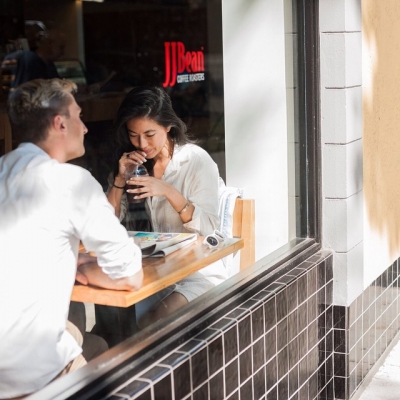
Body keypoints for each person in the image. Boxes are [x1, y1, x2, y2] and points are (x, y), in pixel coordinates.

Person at [0, 78, 143, 399]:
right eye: (78, 115)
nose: (86, 127)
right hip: (32, 372)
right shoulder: (70, 182)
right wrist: (83, 267)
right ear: (59, 123)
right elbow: (130, 276)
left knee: (95, 345)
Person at [105, 85, 225, 329]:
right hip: (160, 271)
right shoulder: (133, 164)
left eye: (150, 135)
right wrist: (119, 180)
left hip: (199, 271)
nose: (142, 144)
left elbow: (210, 227)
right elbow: (106, 224)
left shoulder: (195, 160)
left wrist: (169, 191)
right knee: (114, 320)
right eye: (133, 135)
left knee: (153, 324)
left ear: (168, 126)